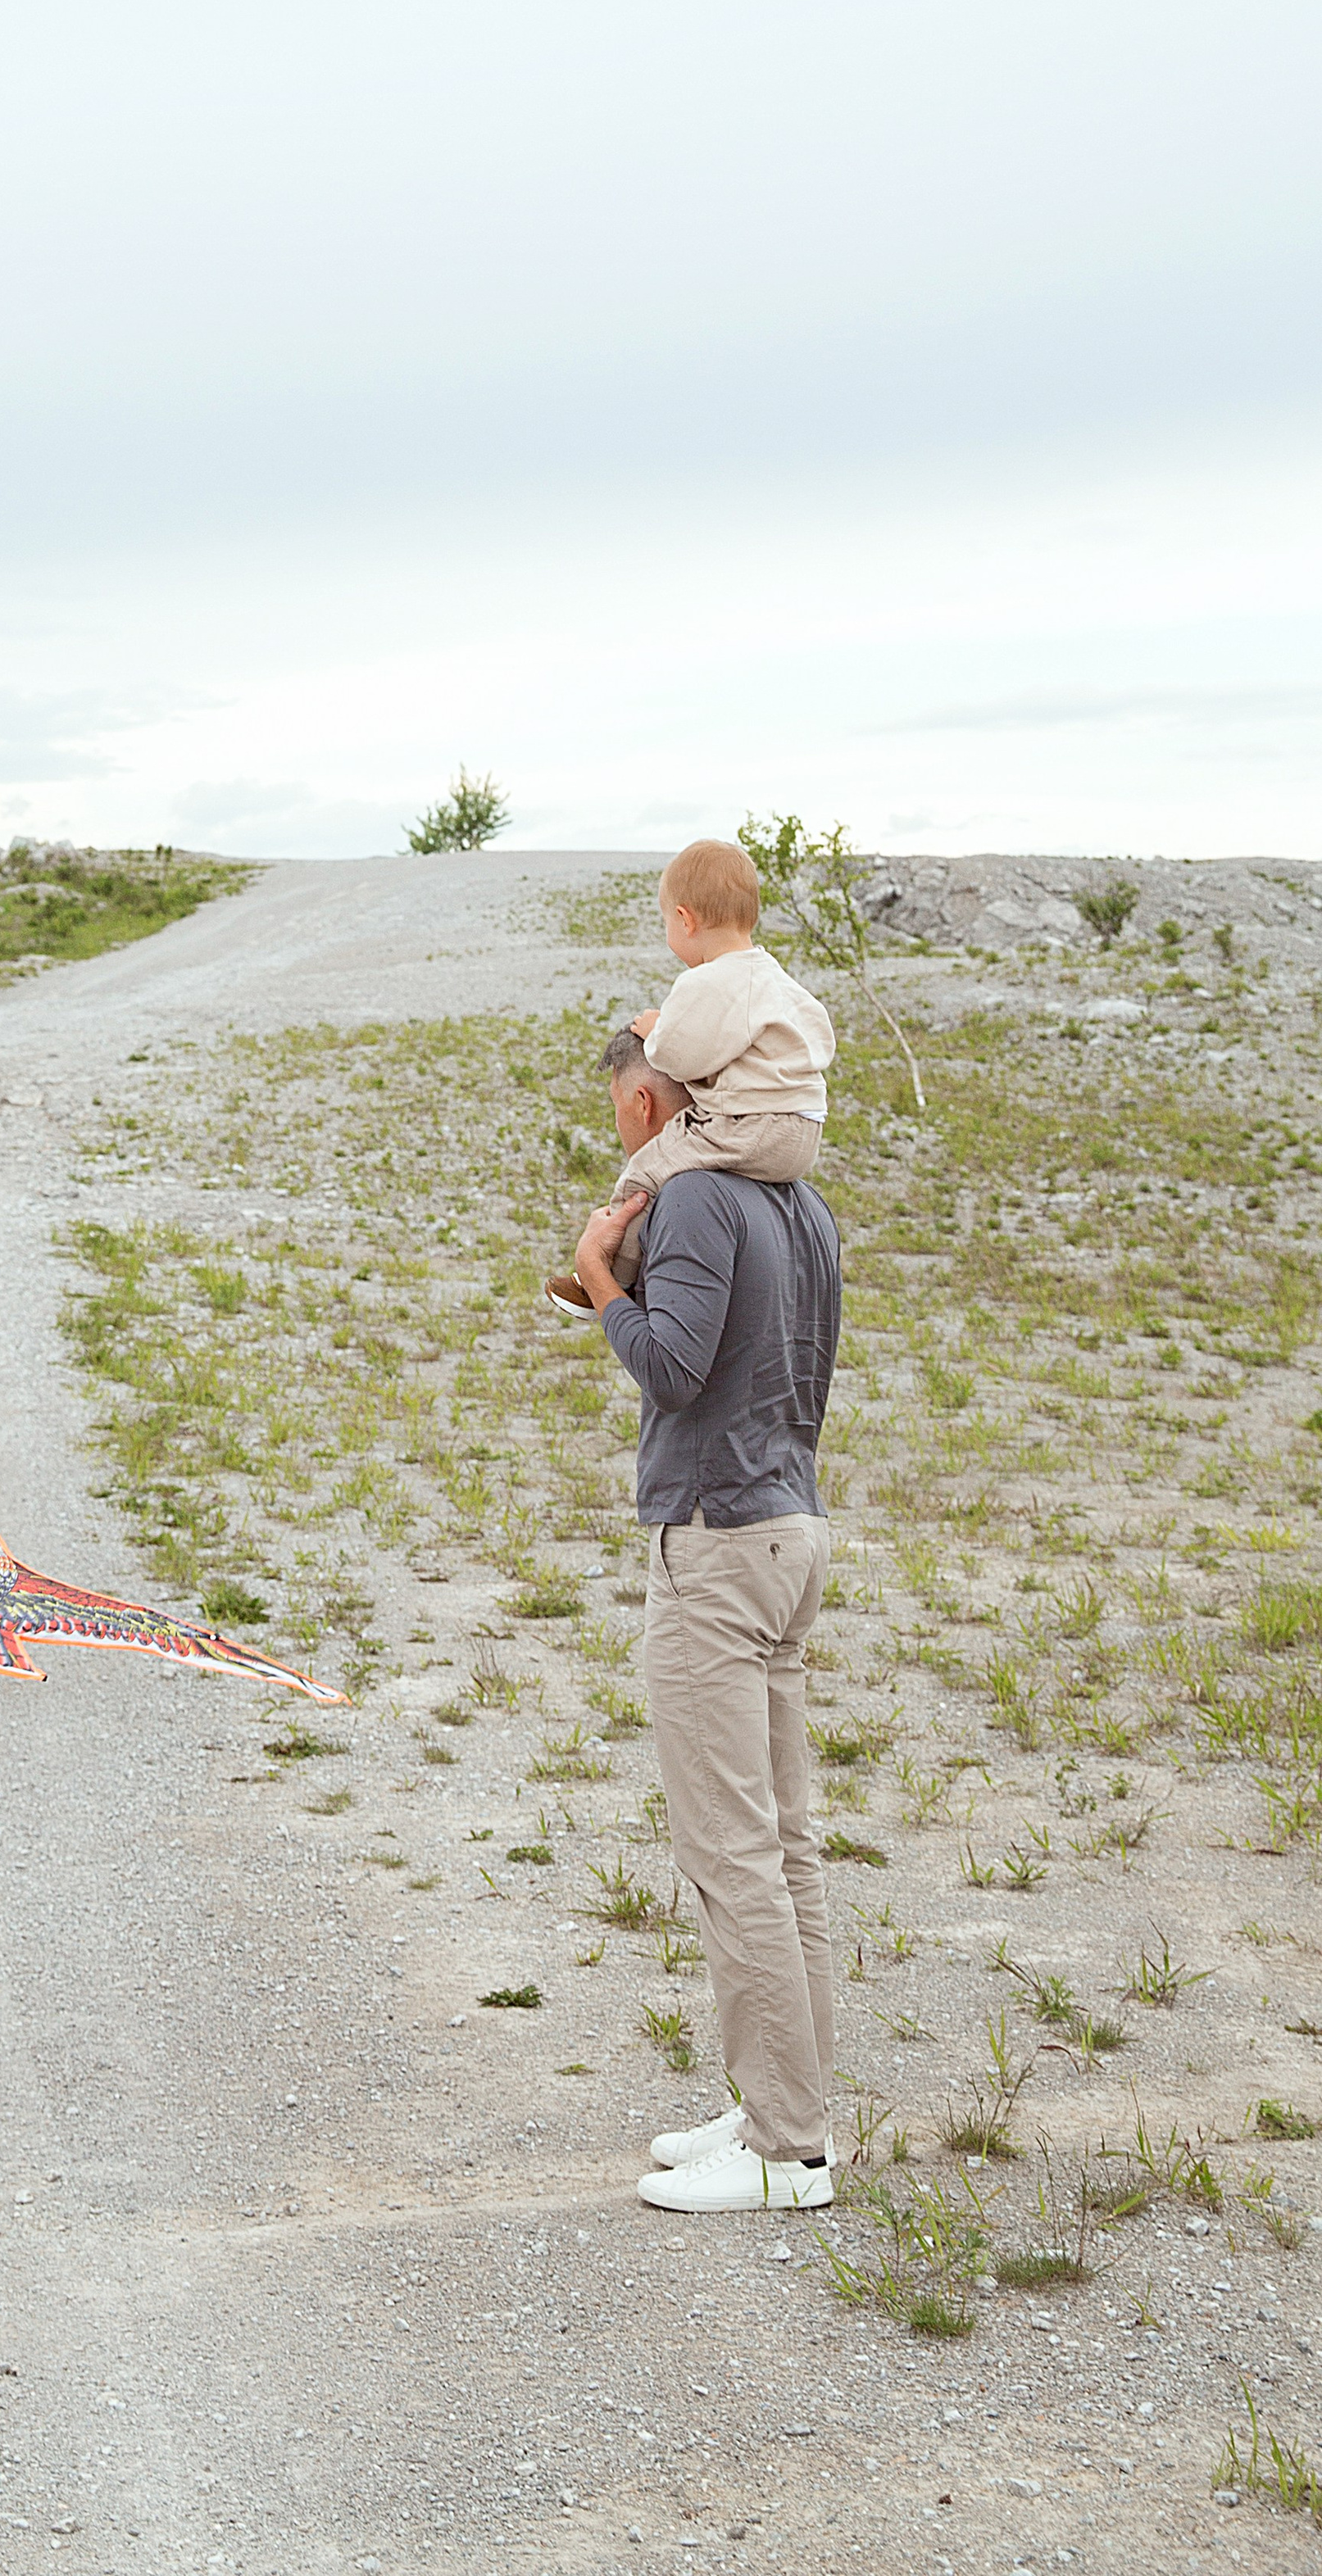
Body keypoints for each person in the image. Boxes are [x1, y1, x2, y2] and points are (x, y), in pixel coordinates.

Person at [573, 1024, 843, 2214]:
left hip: (717, 1542)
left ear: (647, 1105)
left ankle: (786, 2152)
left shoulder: (687, 1198)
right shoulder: (802, 1204)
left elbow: (674, 1370)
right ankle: (786, 2110)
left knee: (731, 1854)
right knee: (784, 1847)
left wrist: (599, 1278)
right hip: (790, 1523)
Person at [544, 836, 834, 1315]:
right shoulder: (779, 981)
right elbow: (819, 1037)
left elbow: (677, 1059)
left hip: (754, 1125)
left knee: (645, 1174)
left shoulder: (707, 981)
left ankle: (609, 1280)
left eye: (666, 923)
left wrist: (657, 1031)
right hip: (804, 1130)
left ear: (685, 919)